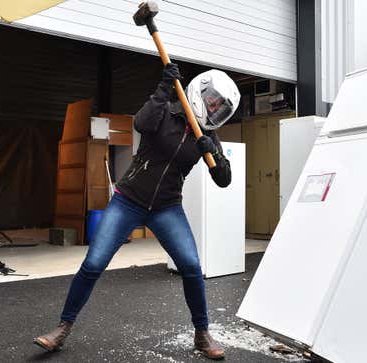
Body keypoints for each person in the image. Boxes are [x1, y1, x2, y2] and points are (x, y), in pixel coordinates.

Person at [34, 63, 240, 360]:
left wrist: (215, 153)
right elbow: (142, 124)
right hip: (127, 201)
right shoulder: (166, 111)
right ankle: (63, 327)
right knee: (93, 263)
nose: (214, 107)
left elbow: (224, 179)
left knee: (192, 267)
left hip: (167, 208)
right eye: (213, 99)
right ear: (201, 91)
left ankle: (201, 334)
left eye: (220, 106)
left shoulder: (205, 134)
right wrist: (163, 87)